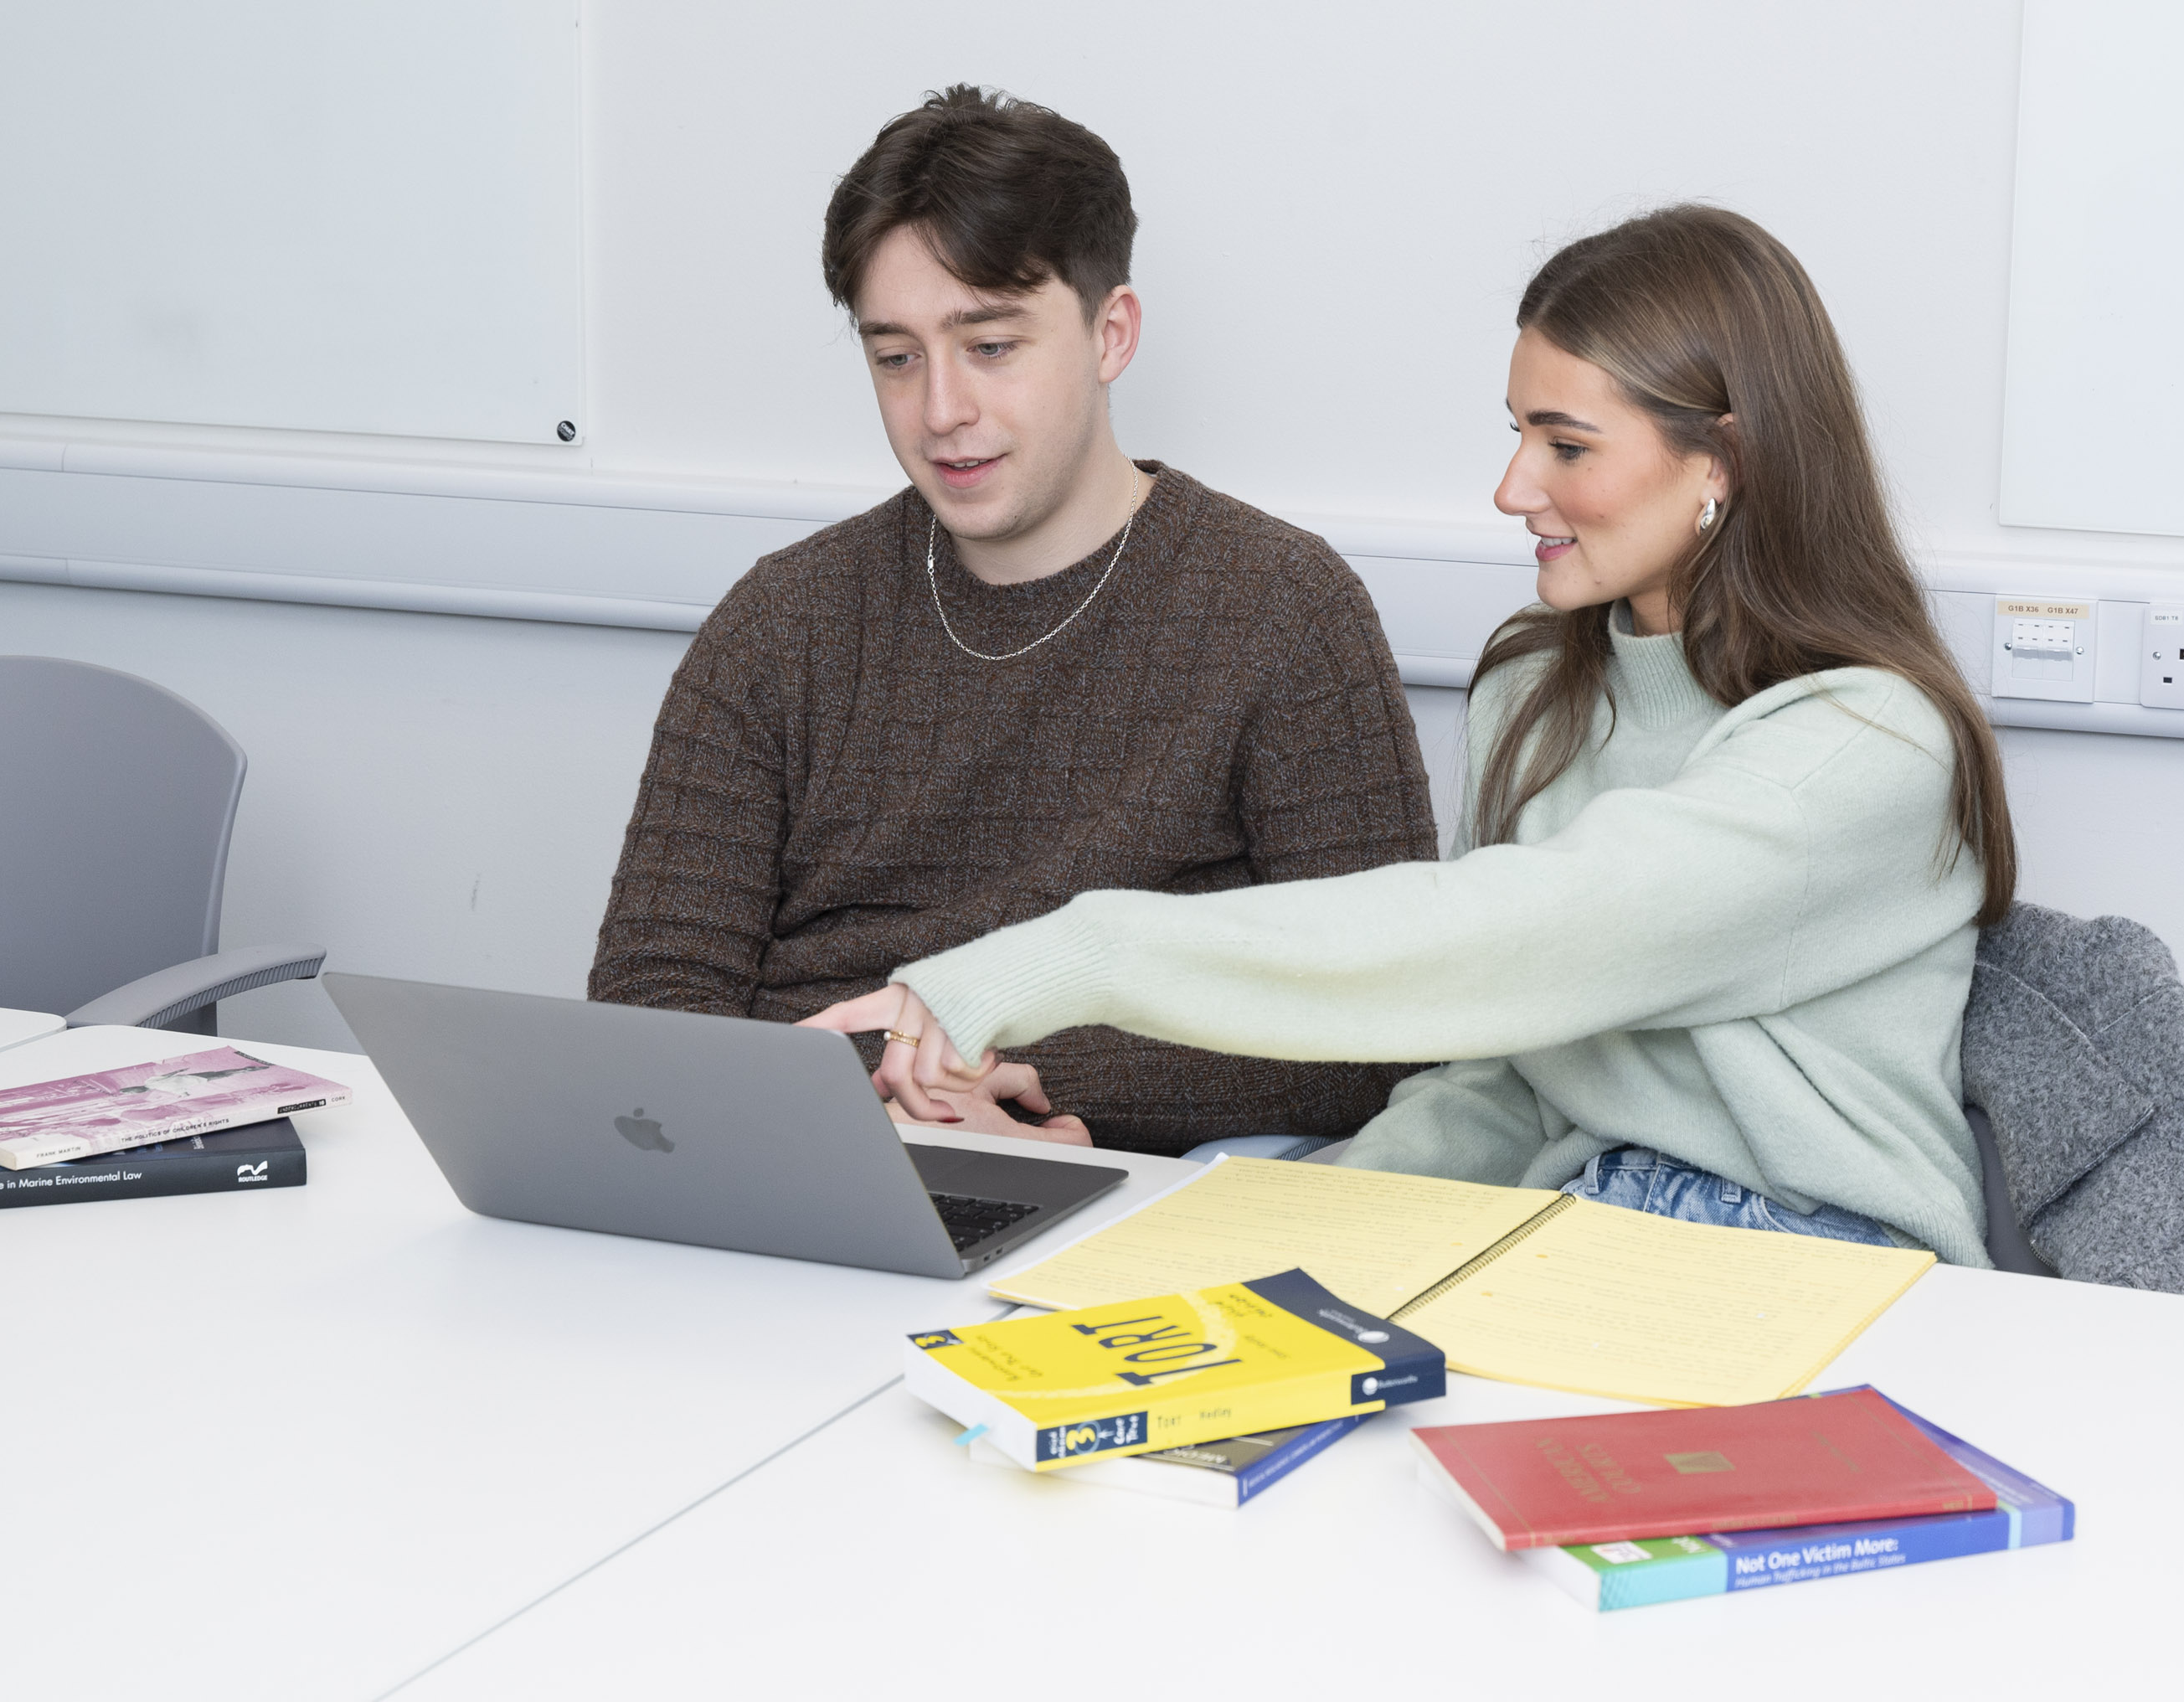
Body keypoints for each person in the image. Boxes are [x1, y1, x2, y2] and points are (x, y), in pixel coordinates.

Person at [805, 204, 2017, 1266]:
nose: (1513, 488)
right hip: (1577, 1218)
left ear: (1724, 461)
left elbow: (1514, 939)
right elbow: (1499, 1080)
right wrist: (1232, 1224)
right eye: (1517, 432)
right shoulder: (1540, 694)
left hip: (1808, 1252)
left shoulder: (1868, 747)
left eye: (1566, 445)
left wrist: (1062, 959)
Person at [586, 85, 1439, 1156]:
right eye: (896, 357)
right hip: (799, 1147)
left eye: (989, 346)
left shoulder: (1283, 608)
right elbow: (652, 998)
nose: (941, 410)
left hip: (1113, 1175)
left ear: (1110, 334)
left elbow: (1380, 1025)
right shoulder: (783, 620)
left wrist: (1020, 1082)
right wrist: (893, 1100)